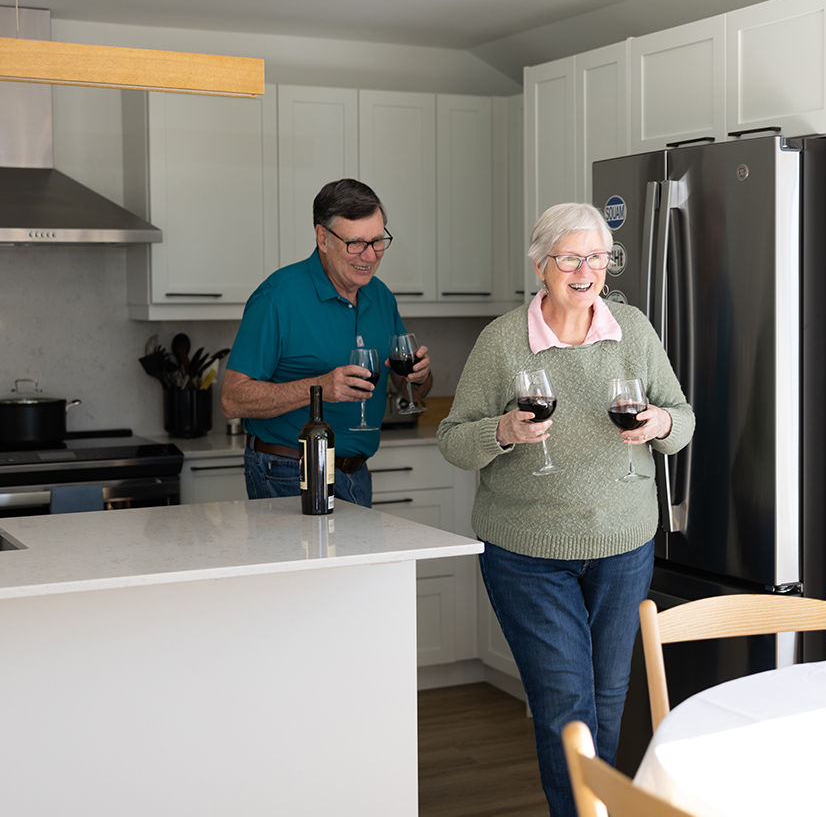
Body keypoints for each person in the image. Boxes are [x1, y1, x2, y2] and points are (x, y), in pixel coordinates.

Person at [436, 202, 694, 817]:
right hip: (528, 552)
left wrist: (659, 422)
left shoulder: (633, 328)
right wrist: (501, 431)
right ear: (541, 263)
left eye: (599, 257)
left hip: (623, 543)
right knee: (564, 707)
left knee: (607, 701)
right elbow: (452, 439)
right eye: (571, 257)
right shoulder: (502, 341)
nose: (587, 271)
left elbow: (680, 420)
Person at [221, 178, 432, 507]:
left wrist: (418, 378)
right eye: (356, 244)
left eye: (378, 241)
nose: (370, 255)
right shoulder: (277, 298)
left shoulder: (381, 296)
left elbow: (410, 391)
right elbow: (232, 400)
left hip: (357, 473)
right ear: (323, 237)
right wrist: (320, 387)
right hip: (289, 472)